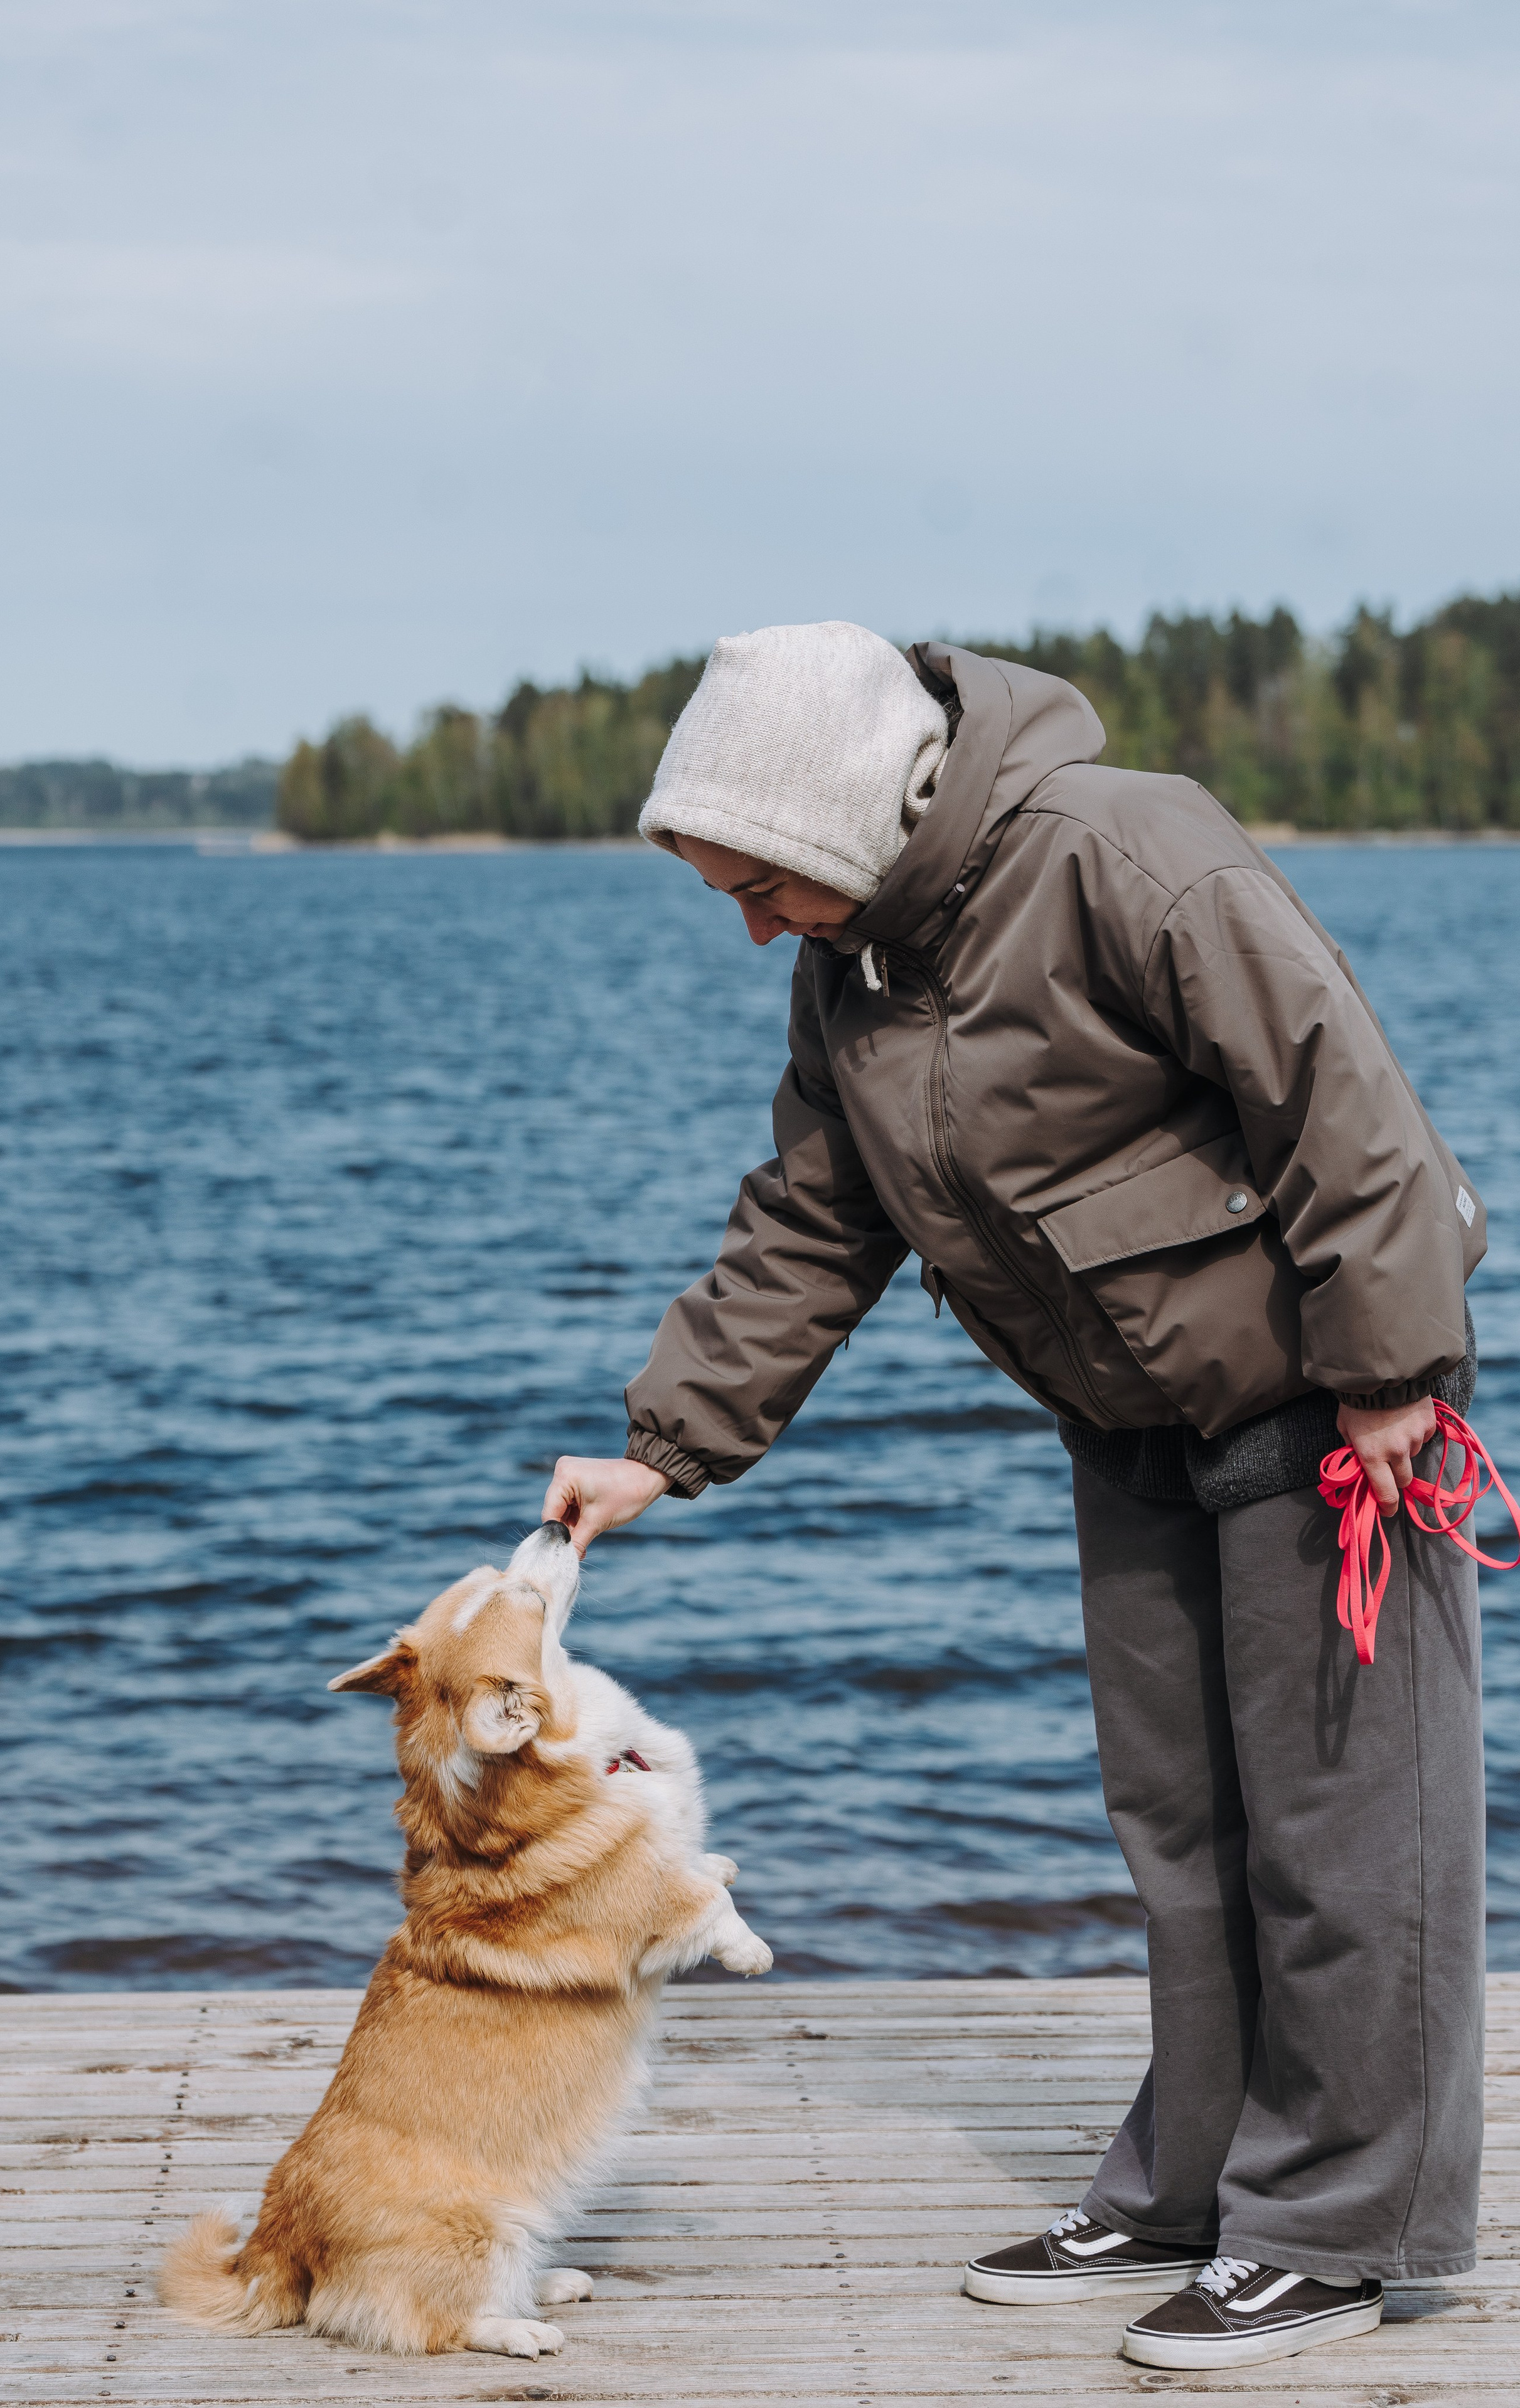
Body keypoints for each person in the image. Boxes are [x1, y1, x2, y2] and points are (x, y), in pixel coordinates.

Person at [540, 621, 1485, 2373]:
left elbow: (1343, 1099)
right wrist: (666, 1443)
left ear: (849, 817)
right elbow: (814, 1220)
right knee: (1183, 1835)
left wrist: (1391, 1370)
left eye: (763, 886)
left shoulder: (1129, 851)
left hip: (1324, 1407)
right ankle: (1196, 2191)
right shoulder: (857, 963)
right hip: (1128, 1422)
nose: (754, 927)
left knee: (1345, 1839)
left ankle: (1336, 2233)